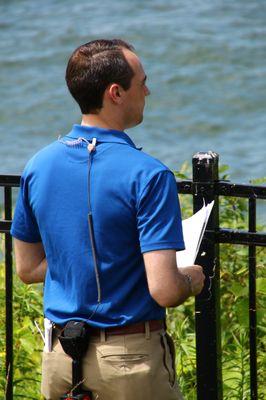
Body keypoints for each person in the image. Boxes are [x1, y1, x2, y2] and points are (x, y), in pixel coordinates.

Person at [11, 39, 205, 400]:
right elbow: (163, 289)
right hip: (129, 363)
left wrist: (89, 257)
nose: (147, 90)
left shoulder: (38, 166)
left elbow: (27, 268)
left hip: (59, 358)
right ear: (116, 93)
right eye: (141, 82)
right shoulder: (149, 175)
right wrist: (192, 280)